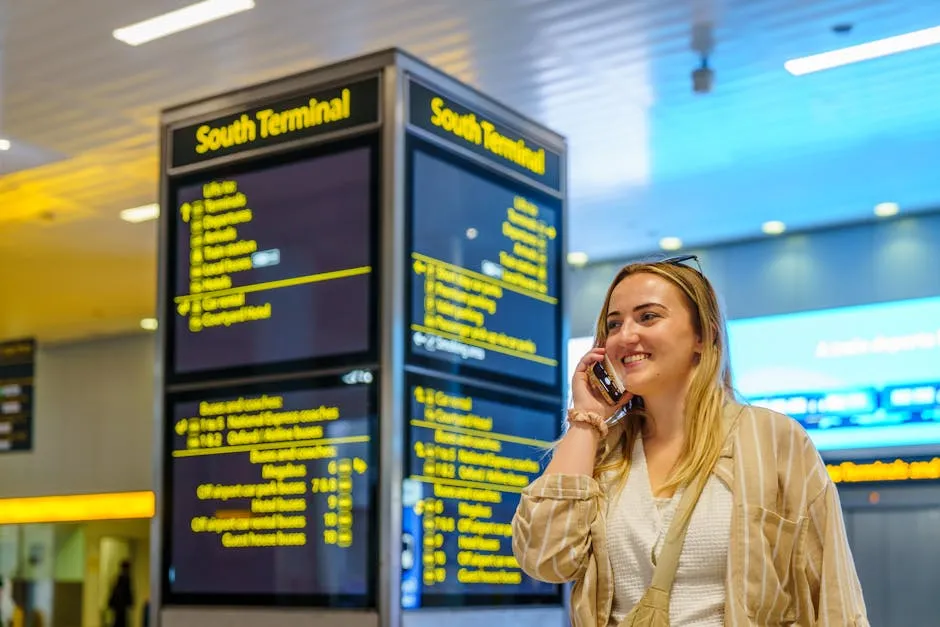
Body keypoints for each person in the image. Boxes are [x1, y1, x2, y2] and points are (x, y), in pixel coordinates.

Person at [511, 256, 869, 626]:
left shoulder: (773, 440)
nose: (625, 335)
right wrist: (587, 420)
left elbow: (832, 596)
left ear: (704, 336)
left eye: (648, 316)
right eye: (614, 324)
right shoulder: (600, 451)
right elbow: (544, 559)